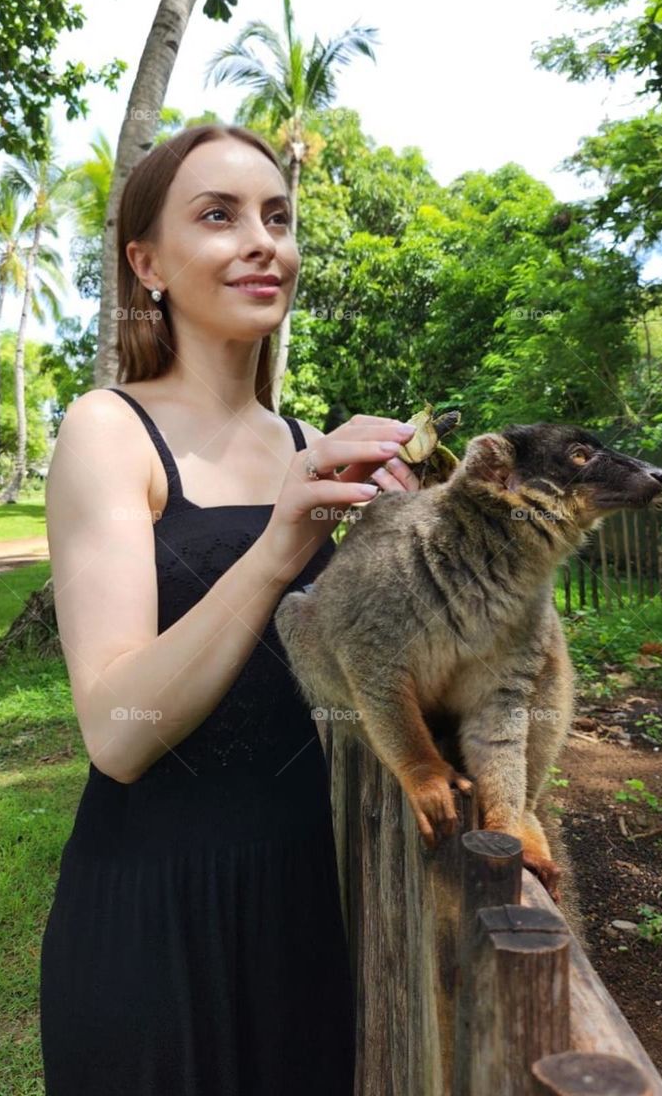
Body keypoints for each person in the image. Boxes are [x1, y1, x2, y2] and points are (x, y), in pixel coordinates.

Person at [38, 122, 422, 1095]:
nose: (263, 240)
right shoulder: (106, 429)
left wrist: (418, 535)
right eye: (219, 215)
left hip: (298, 902)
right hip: (155, 919)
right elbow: (116, 730)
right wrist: (280, 546)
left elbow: (333, 680)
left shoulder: (307, 442)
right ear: (148, 262)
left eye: (278, 216)